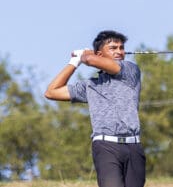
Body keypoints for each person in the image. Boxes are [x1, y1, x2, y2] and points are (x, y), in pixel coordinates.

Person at [44, 30, 146, 187]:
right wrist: (74, 62)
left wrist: (85, 55)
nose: (119, 51)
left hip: (133, 147)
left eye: (121, 47)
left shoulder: (130, 70)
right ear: (100, 53)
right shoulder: (91, 85)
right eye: (113, 48)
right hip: (106, 147)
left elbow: (90, 59)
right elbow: (51, 92)